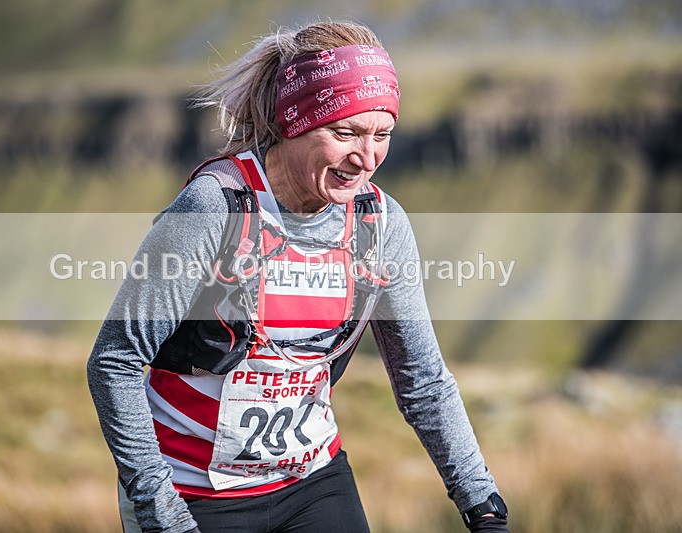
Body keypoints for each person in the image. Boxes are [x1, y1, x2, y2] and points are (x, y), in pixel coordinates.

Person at [88, 20, 509, 533]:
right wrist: (159, 505)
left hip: (312, 483)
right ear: (294, 122)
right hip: (192, 493)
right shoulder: (215, 208)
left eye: (383, 135)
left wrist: (482, 505)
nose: (366, 157)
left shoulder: (378, 225)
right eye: (345, 132)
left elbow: (423, 382)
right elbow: (115, 361)